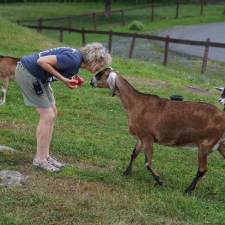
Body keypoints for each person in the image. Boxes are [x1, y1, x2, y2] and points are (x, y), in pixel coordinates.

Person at [15, 42, 112, 172]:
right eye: (101, 64)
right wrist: (63, 79)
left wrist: (72, 77)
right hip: (28, 73)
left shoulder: (75, 59)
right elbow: (42, 61)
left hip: (38, 76)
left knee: (53, 112)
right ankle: (40, 159)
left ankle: (45, 155)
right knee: (47, 115)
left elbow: (59, 65)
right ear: (94, 59)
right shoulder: (73, 60)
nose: (100, 68)